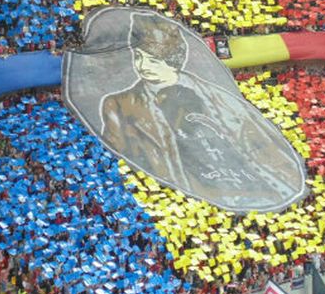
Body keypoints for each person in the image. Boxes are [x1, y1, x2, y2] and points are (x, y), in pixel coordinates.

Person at [93, 11, 304, 211]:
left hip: (239, 189)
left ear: (173, 60)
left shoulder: (221, 98)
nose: (143, 65)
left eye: (153, 60)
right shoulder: (118, 105)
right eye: (138, 56)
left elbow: (261, 148)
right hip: (181, 197)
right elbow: (116, 159)